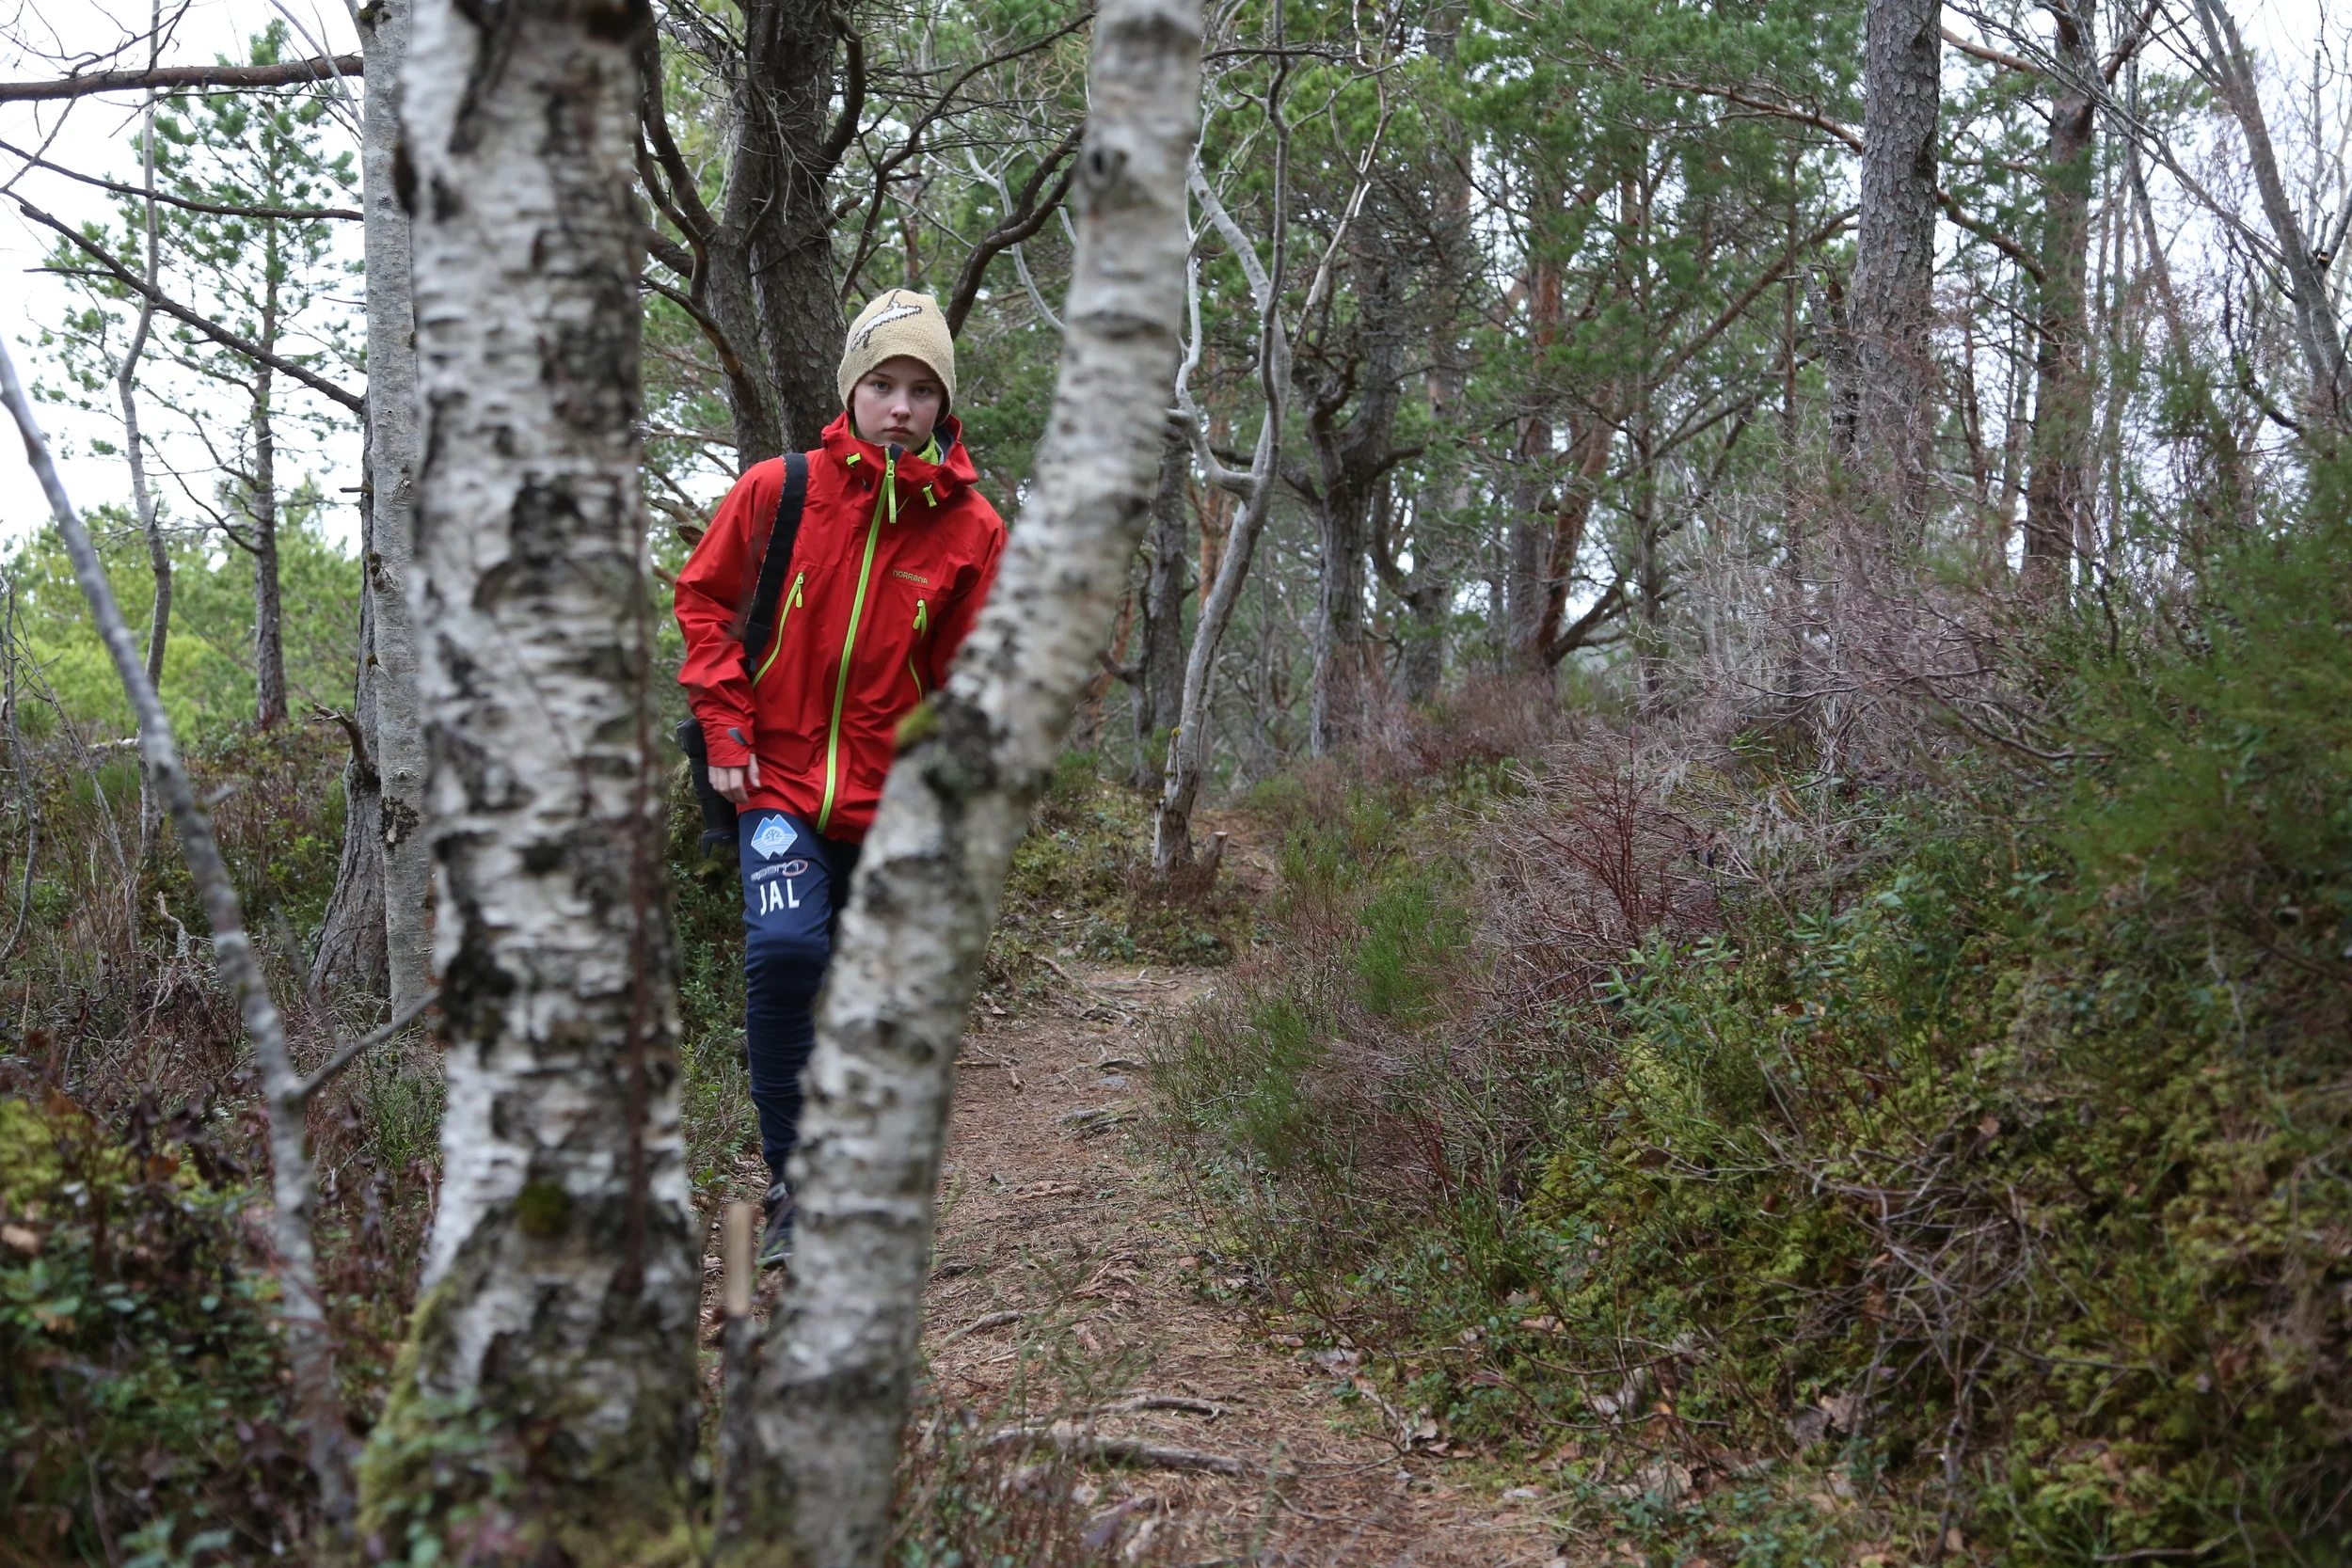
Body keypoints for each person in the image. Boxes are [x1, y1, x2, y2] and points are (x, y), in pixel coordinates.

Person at [675, 291, 1006, 1264]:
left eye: (920, 389)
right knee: (783, 953)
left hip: (890, 802)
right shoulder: (778, 489)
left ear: (942, 406)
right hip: (773, 782)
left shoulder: (972, 530)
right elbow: (703, 601)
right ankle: (793, 1183)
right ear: (851, 390)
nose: (900, 406)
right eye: (882, 384)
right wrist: (726, 726)